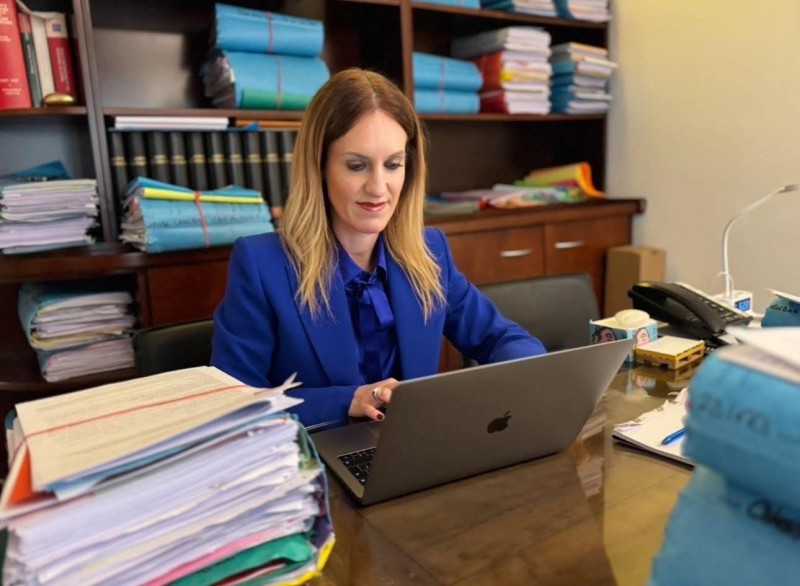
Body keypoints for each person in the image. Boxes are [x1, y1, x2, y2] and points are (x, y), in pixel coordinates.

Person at [211, 68, 546, 429]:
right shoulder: (262, 265)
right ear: (319, 167)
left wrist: (521, 379)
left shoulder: (429, 252)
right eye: (356, 166)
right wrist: (348, 400)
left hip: (414, 455)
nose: (378, 187)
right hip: (319, 462)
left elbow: (504, 339)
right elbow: (236, 405)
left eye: (393, 165)